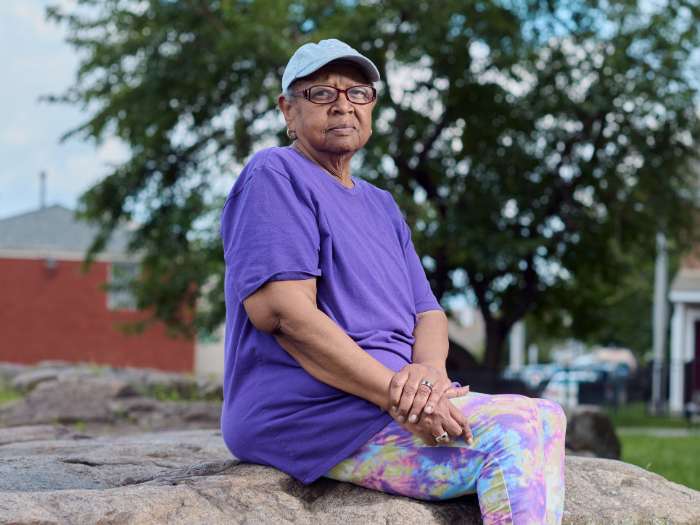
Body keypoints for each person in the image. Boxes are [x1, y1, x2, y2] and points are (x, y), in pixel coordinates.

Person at [220, 38, 566, 525]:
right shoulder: (274, 174)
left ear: (371, 106)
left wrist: (428, 374)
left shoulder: (380, 204)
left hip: (386, 403)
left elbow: (428, 312)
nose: (343, 104)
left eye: (358, 92)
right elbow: (282, 312)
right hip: (311, 414)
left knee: (546, 415)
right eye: (322, 93)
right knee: (518, 429)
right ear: (288, 110)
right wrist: (402, 400)